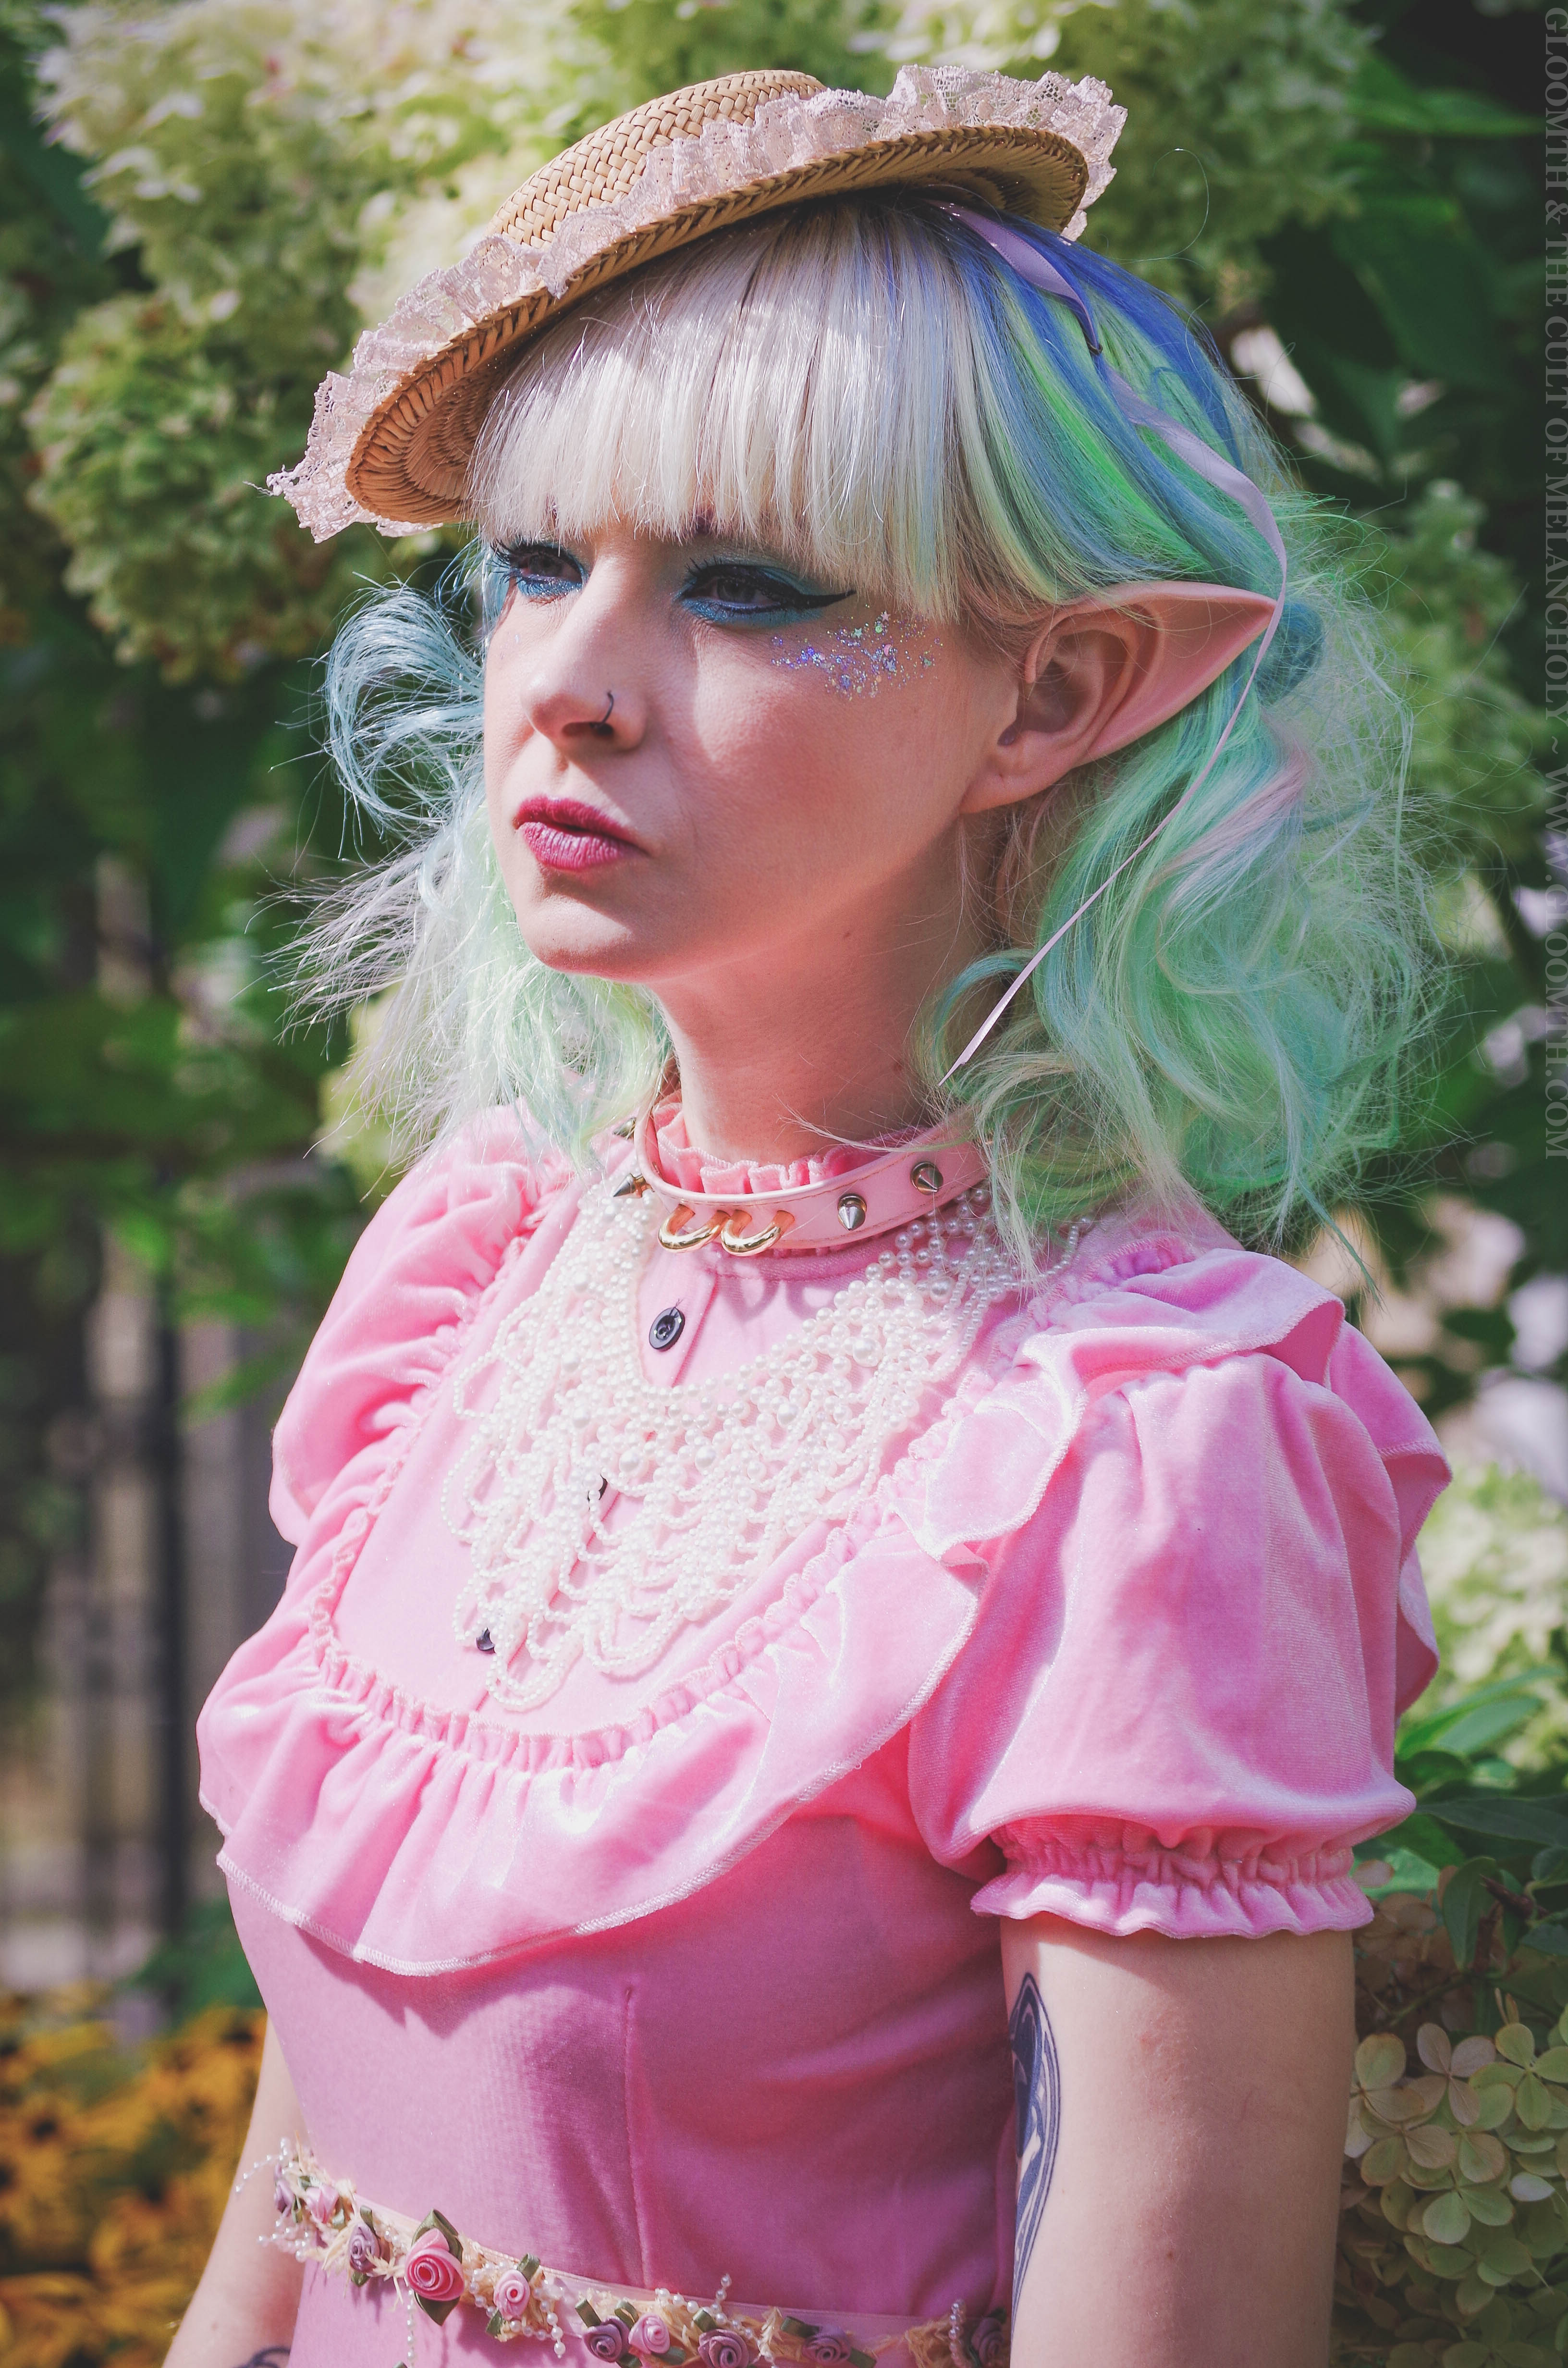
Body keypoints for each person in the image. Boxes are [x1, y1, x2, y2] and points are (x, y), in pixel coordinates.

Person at [174, 62, 1450, 2368]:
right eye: (534, 564)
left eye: (749, 585)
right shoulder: (477, 1272)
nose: (568, 682)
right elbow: (307, 2174)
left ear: (1053, 689)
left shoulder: (1143, 1449)